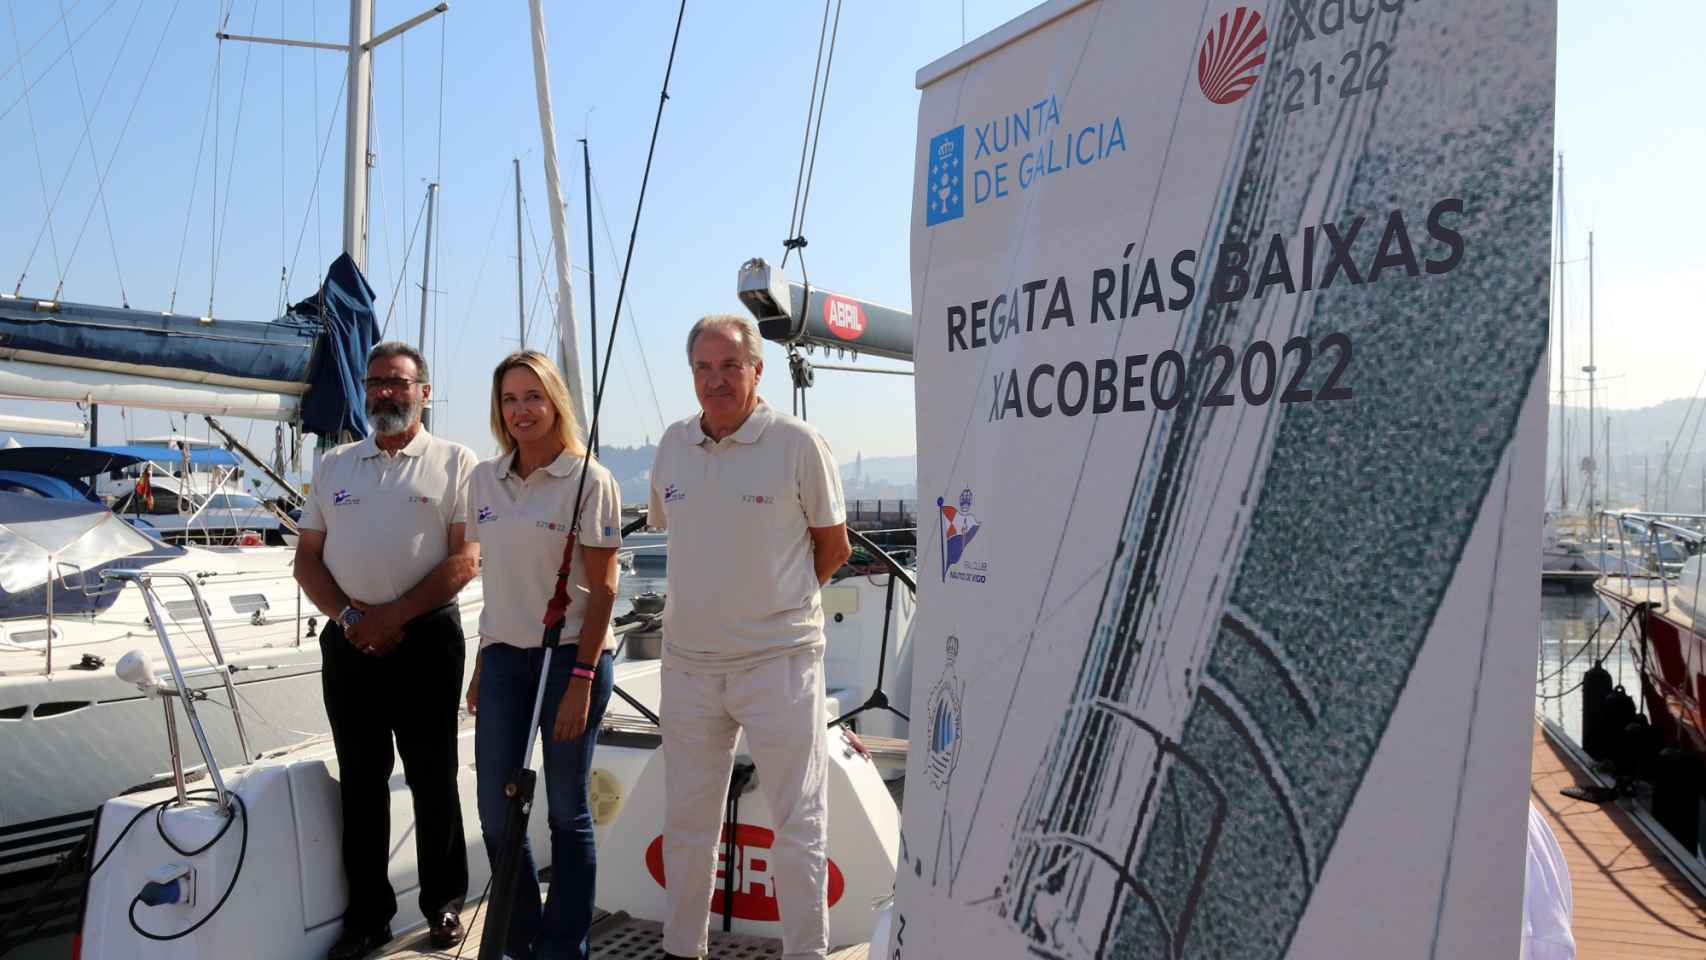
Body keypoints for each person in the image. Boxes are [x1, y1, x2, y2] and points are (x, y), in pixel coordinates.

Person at [649, 314, 851, 960]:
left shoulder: (798, 443)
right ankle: (683, 949)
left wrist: (775, 609)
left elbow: (833, 546)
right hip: (688, 669)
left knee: (799, 825)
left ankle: (806, 955)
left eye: (730, 366)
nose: (716, 381)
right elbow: (676, 532)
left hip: (778, 664)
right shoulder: (672, 446)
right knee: (686, 826)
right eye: (704, 369)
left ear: (758, 371)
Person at [294, 342, 479, 960]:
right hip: (349, 640)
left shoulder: (456, 462)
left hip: (426, 639)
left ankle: (444, 904)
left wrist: (394, 615)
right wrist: (351, 618)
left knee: (433, 776)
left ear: (423, 391)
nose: (385, 393)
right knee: (362, 784)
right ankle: (369, 917)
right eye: (375, 383)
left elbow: (465, 558)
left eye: (398, 383)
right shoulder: (334, 466)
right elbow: (307, 559)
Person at [464, 351, 622, 960]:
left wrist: (582, 679)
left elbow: (605, 589)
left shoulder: (589, 479)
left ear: (555, 400)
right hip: (504, 658)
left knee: (564, 810)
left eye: (533, 396)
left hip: (570, 661)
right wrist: (482, 661)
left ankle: (563, 949)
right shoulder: (484, 478)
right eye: (509, 399)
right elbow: (498, 584)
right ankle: (519, 934)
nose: (521, 410)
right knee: (495, 812)